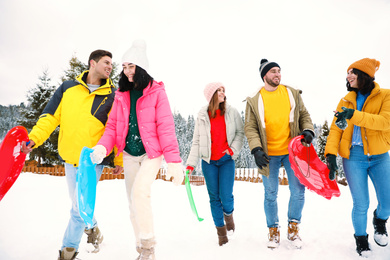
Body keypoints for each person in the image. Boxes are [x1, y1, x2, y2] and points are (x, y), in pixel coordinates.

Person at [21, 49, 123, 260]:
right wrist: (34, 138)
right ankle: (93, 228)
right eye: (106, 62)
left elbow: (118, 129)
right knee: (79, 203)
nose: (110, 67)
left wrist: (119, 159)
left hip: (93, 161)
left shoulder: (114, 94)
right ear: (92, 63)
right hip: (69, 157)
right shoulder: (68, 88)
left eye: (112, 64)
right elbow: (49, 117)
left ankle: (68, 251)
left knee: (77, 209)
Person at [90, 40, 184, 260]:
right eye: (124, 67)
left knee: (141, 192)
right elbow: (112, 125)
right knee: (133, 202)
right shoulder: (121, 94)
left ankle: (149, 246)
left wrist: (173, 161)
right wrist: (103, 147)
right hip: (130, 154)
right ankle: (141, 247)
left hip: (152, 153)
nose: (127, 71)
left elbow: (166, 127)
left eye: (131, 66)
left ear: (141, 66)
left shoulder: (157, 92)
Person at [244, 59, 314, 249]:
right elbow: (250, 128)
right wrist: (256, 149)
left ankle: (293, 229)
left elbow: (304, 115)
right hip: (268, 154)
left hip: (293, 152)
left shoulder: (291, 93)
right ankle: (273, 231)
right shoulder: (254, 99)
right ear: (264, 75)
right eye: (273, 71)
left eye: (279, 71)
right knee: (270, 194)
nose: (277, 74)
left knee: (298, 191)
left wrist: (307, 130)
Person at [325, 58, 390, 257]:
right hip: (353, 157)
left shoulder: (385, 95)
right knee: (361, 203)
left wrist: (354, 115)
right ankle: (361, 239)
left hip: (380, 156)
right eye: (347, 73)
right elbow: (336, 129)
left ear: (365, 74)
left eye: (352, 72)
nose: (348, 76)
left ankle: (380, 220)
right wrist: (330, 154)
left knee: (387, 201)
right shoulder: (345, 100)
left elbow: (384, 122)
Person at [186, 82, 244, 246]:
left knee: (226, 196)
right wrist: (191, 164)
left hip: (226, 160)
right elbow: (196, 140)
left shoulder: (231, 112)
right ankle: (221, 233)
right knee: (214, 198)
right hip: (208, 162)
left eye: (223, 90)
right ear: (211, 95)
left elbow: (240, 133)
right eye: (218, 90)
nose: (222, 92)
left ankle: (229, 216)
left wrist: (232, 150)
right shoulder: (202, 115)